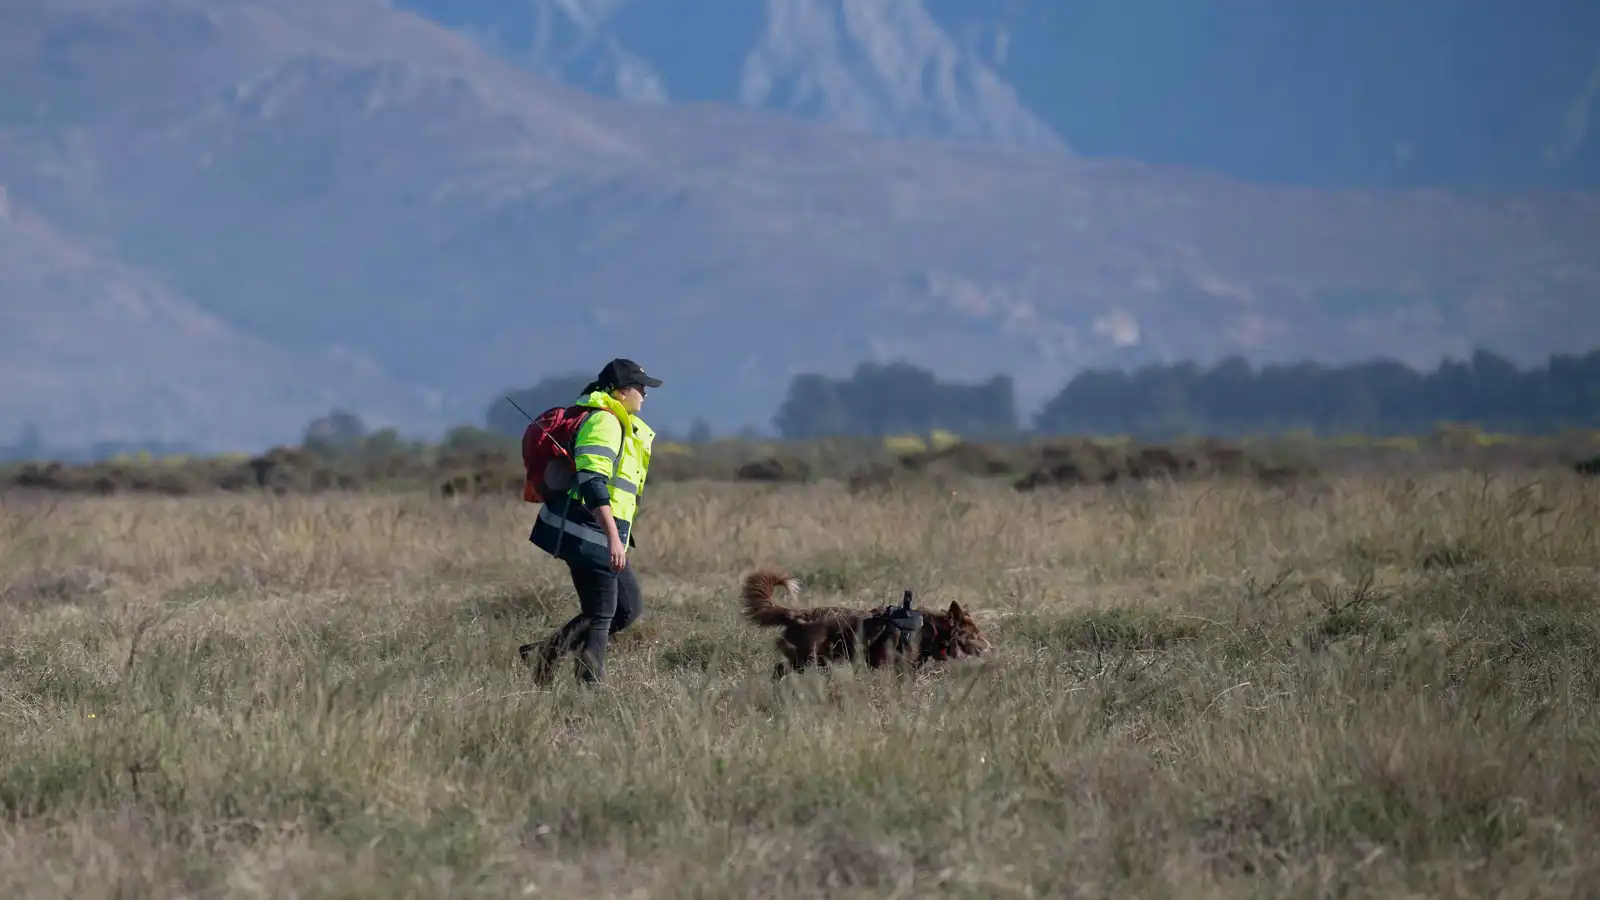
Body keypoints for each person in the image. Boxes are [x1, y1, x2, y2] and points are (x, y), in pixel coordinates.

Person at [519, 358, 661, 684]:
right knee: (601, 614)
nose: (645, 394)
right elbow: (592, 481)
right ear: (621, 391)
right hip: (589, 531)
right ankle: (589, 698)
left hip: (599, 531)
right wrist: (613, 538)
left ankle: (543, 653)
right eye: (640, 387)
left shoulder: (615, 420)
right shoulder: (605, 423)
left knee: (627, 609)